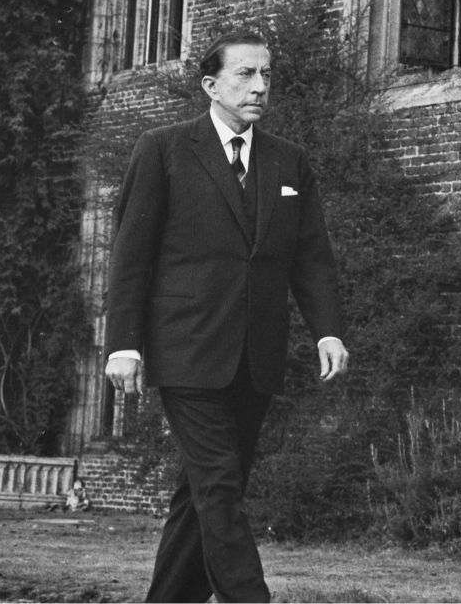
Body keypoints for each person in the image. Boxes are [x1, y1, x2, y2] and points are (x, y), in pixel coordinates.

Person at [103, 31, 349, 603]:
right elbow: (130, 254)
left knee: (204, 493)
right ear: (211, 85)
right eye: (245, 75)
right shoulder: (163, 149)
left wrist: (328, 330)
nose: (260, 86)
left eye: (266, 75)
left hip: (256, 355)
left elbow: (311, 256)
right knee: (218, 487)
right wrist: (123, 343)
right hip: (186, 351)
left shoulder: (289, 160)